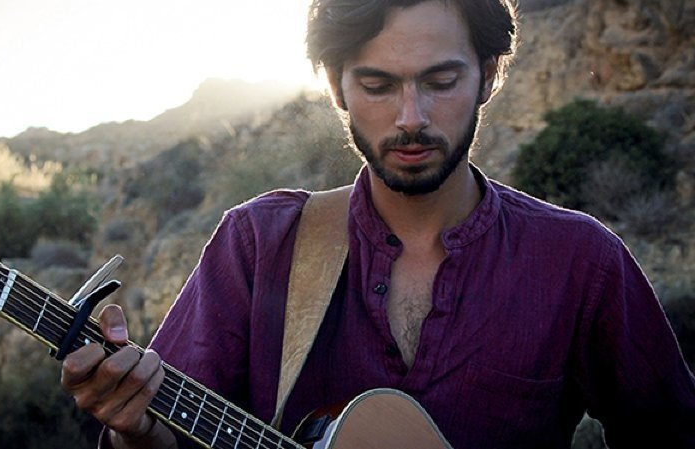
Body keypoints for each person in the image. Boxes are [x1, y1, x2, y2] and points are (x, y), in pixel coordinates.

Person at [60, 0, 695, 448]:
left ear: (488, 78)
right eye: (377, 84)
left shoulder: (579, 260)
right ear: (337, 87)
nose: (410, 117)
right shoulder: (259, 245)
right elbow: (167, 439)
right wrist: (138, 433)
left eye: (441, 80)